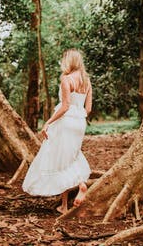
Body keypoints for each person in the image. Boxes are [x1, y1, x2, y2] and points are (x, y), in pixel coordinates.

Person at [22, 49, 92, 214]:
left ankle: (78, 189)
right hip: (80, 123)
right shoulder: (87, 81)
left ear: (69, 62)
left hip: (65, 122)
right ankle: (66, 203)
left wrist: (48, 122)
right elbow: (88, 108)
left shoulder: (66, 79)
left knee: (60, 160)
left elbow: (65, 106)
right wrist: (78, 115)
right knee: (70, 157)